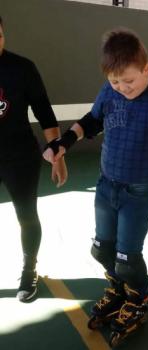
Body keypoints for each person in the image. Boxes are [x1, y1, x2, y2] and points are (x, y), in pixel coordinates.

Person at [43, 28, 148, 345]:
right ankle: (118, 288)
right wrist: (63, 143)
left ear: (146, 69)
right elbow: (91, 120)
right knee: (101, 249)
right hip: (106, 185)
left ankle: (139, 297)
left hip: (138, 192)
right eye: (116, 82)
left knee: (128, 259)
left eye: (129, 80)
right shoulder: (109, 93)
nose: (123, 88)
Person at [0, 16, 67, 302]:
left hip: (20, 157)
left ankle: (29, 271)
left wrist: (58, 156)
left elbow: (44, 113)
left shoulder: (22, 68)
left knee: (26, 216)